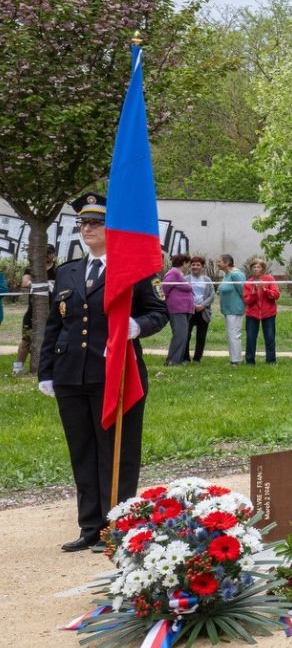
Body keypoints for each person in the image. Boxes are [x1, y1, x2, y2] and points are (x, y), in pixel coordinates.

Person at [36, 194, 167, 551]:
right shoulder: (67, 271)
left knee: (117, 452)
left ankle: (117, 526)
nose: (88, 229)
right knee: (83, 451)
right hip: (71, 375)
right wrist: (46, 371)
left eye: (95, 224)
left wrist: (136, 327)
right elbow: (54, 325)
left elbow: (159, 312)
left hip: (115, 375)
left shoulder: (133, 269)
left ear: (111, 229)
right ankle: (90, 526)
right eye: (83, 224)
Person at [13, 247, 56, 376]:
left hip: (52, 311)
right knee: (26, 340)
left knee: (53, 340)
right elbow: (25, 283)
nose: (46, 255)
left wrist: (39, 284)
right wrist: (47, 284)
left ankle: (49, 368)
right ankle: (18, 368)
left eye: (49, 253)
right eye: (44, 252)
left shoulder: (58, 270)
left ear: (53, 255)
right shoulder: (32, 269)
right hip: (32, 312)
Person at [242, 258, 280, 365]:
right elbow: (247, 301)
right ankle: (250, 361)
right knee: (250, 338)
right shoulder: (248, 282)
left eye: (258, 267)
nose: (256, 269)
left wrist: (265, 290)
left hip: (268, 313)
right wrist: (253, 292)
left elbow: (276, 295)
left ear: (263, 268)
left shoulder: (269, 279)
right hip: (252, 314)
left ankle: (271, 360)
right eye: (254, 267)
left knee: (270, 337)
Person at [161, 254, 194, 366]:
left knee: (183, 335)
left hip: (184, 309)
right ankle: (172, 361)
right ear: (184, 263)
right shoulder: (173, 273)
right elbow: (165, 289)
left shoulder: (180, 274)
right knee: (180, 335)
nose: (189, 265)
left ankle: (177, 359)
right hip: (177, 309)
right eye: (188, 263)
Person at [215, 254, 246, 366]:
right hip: (228, 310)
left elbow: (243, 291)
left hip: (235, 309)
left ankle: (236, 361)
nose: (217, 264)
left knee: (234, 335)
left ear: (227, 263)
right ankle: (234, 359)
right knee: (231, 334)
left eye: (219, 261)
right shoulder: (227, 274)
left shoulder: (236, 274)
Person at [186, 256, 214, 363]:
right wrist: (192, 305)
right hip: (190, 310)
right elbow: (183, 295)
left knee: (201, 337)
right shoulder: (185, 279)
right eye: (193, 265)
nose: (195, 267)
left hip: (203, 311)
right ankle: (186, 358)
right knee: (186, 335)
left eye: (198, 265)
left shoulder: (207, 280)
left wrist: (203, 305)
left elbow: (211, 295)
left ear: (202, 267)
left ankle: (197, 358)